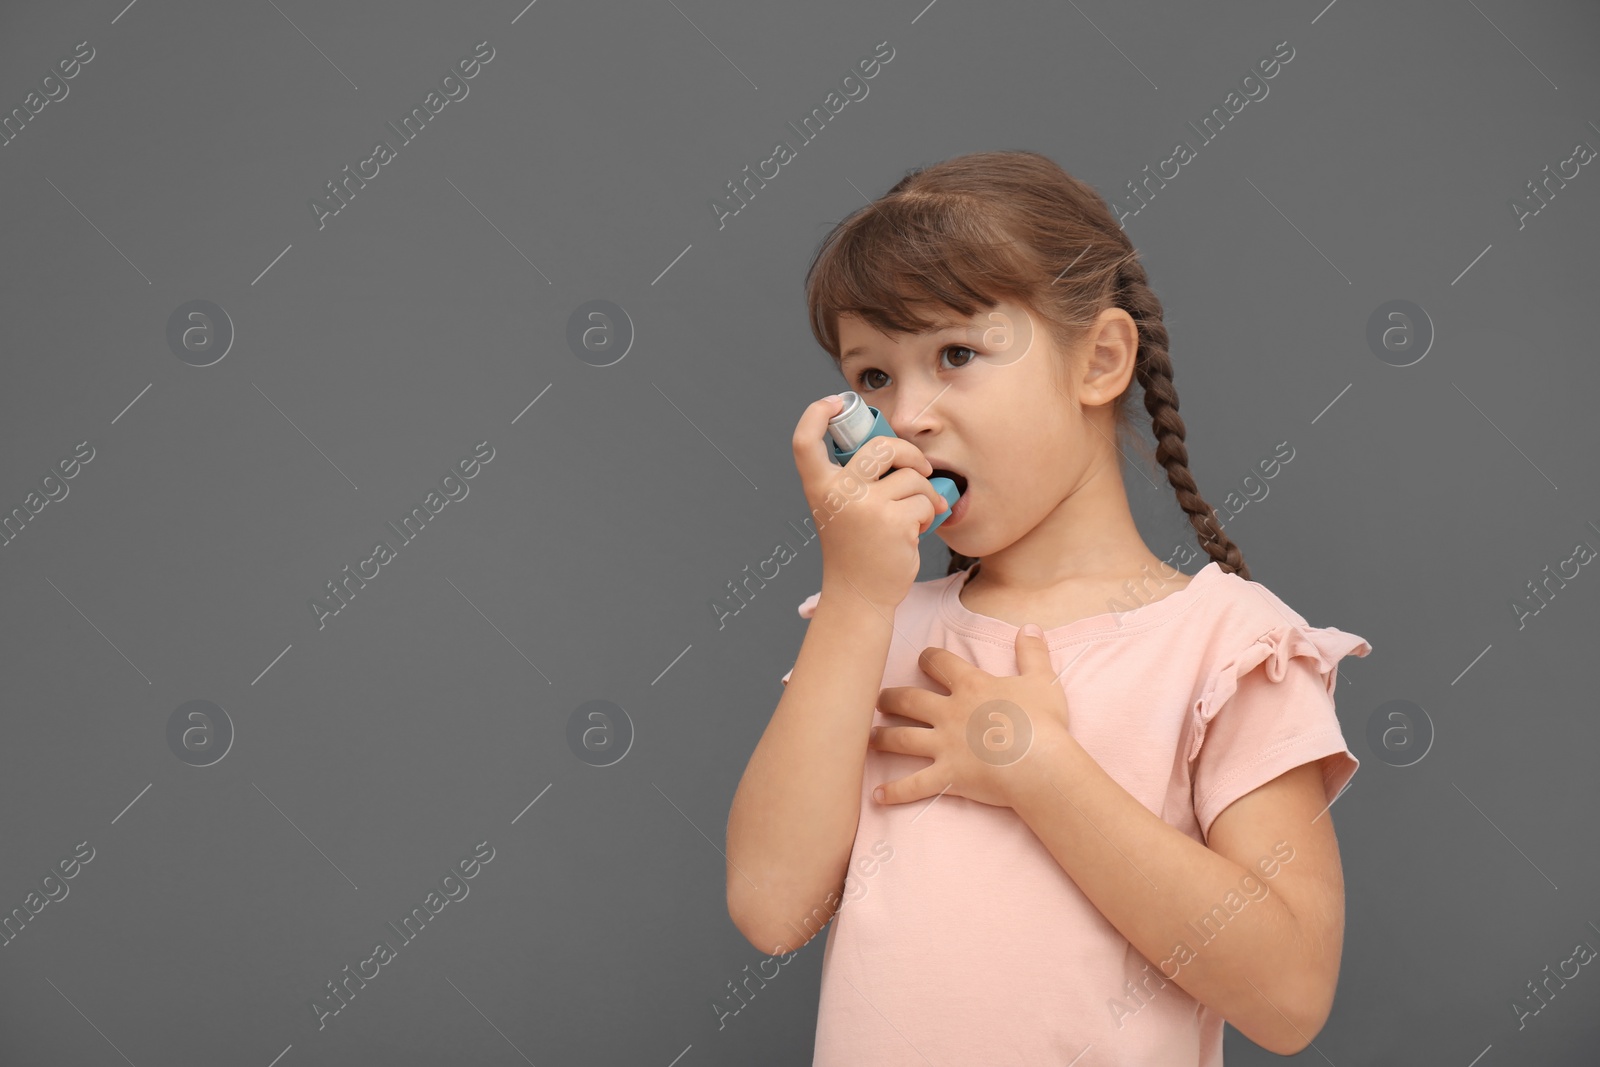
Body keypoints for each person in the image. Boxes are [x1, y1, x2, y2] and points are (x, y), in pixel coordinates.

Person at [724, 150, 1371, 1066]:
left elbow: (1290, 994)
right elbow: (770, 906)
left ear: (1100, 359)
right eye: (872, 378)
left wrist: (1040, 770)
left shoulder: (1226, 645)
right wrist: (858, 598)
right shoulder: (871, 627)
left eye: (955, 355)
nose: (907, 416)